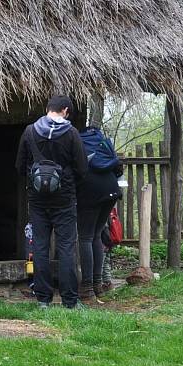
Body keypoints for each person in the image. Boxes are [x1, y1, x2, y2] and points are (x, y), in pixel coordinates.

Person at [16, 95, 87, 309]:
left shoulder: (29, 131)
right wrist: (67, 183)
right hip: (64, 199)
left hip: (37, 200)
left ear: (48, 108)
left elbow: (20, 166)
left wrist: (36, 182)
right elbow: (82, 168)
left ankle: (43, 299)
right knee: (66, 248)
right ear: (65, 110)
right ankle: (70, 301)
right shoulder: (72, 134)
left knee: (40, 247)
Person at [76, 126, 123, 301]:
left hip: (91, 190)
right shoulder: (101, 142)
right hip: (111, 188)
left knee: (86, 237)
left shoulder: (77, 142)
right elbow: (118, 168)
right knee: (95, 235)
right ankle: (98, 285)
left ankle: (87, 288)